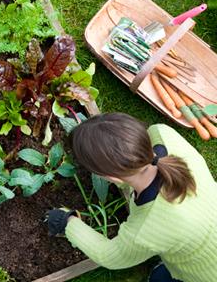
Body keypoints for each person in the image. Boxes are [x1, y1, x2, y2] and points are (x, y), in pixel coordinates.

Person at [46, 113, 217, 282]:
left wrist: (67, 221)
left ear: (113, 179)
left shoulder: (147, 228)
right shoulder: (163, 134)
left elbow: (107, 255)